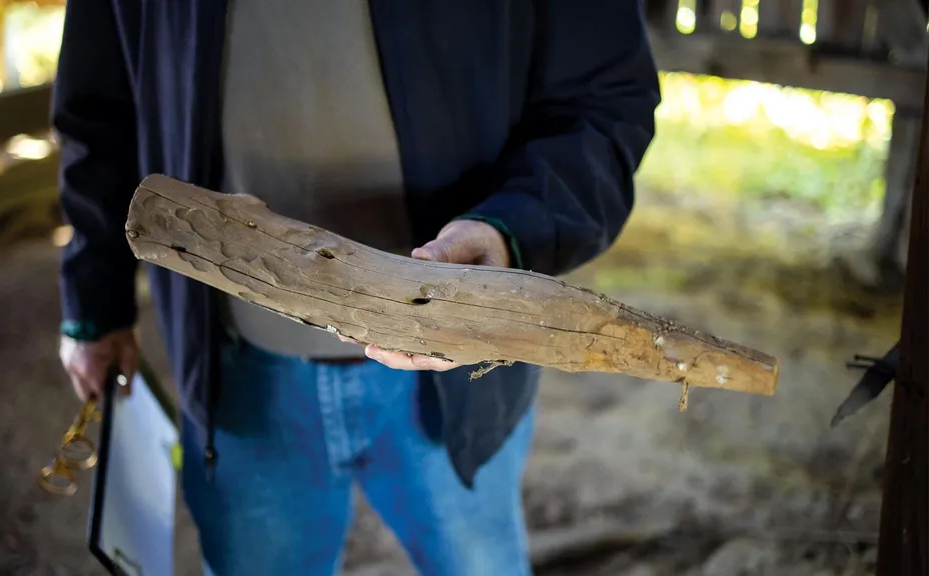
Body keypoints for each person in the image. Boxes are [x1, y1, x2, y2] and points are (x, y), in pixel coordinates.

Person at [54, 1, 660, 574]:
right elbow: (98, 107)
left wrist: (510, 231)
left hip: (456, 376)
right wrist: (94, 297)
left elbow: (603, 101)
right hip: (234, 367)